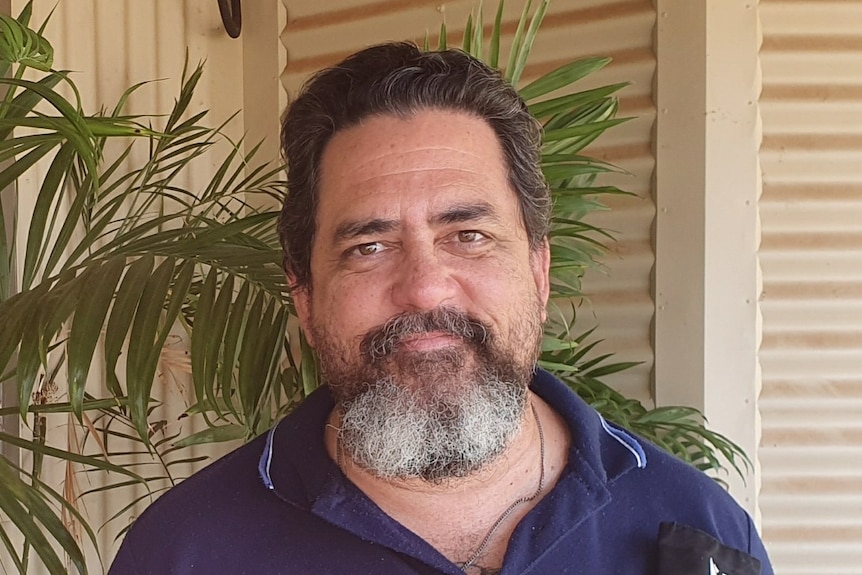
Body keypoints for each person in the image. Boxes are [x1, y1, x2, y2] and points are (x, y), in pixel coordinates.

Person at [109, 43, 773, 575]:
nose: (425, 288)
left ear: (540, 272)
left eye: (469, 235)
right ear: (304, 298)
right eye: (368, 246)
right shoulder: (181, 553)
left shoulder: (698, 530)